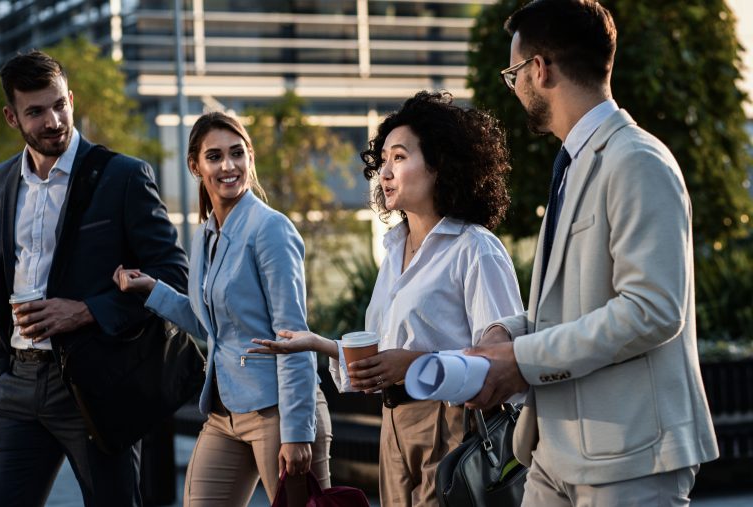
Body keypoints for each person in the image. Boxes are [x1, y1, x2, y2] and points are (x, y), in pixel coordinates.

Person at [464, 1, 720, 505]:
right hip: (553, 453)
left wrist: (520, 358)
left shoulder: (637, 160)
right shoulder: (574, 164)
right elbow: (577, 304)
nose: (513, 87)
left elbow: (651, 310)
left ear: (539, 69)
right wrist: (509, 331)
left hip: (630, 458)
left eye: (512, 73)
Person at [248, 91, 524, 506]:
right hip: (393, 424)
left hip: (449, 423)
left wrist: (412, 363)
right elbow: (380, 349)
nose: (385, 173)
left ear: (439, 163)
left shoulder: (474, 248)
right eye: (383, 162)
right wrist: (319, 344)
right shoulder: (393, 249)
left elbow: (499, 361)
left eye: (399, 157)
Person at [0, 51, 189, 506]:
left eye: (59, 104)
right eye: (35, 111)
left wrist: (85, 311)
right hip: (17, 386)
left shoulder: (123, 176)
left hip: (93, 385)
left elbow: (173, 275)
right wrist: (2, 372)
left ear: (71, 98)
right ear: (11, 117)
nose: (53, 120)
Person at [113, 111, 331, 506]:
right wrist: (152, 290)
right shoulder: (206, 234)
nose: (228, 166)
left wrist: (298, 431)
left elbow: (293, 334)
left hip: (278, 411)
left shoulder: (270, 229)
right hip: (224, 412)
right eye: (214, 157)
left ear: (250, 156)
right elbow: (210, 322)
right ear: (195, 166)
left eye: (236, 153)